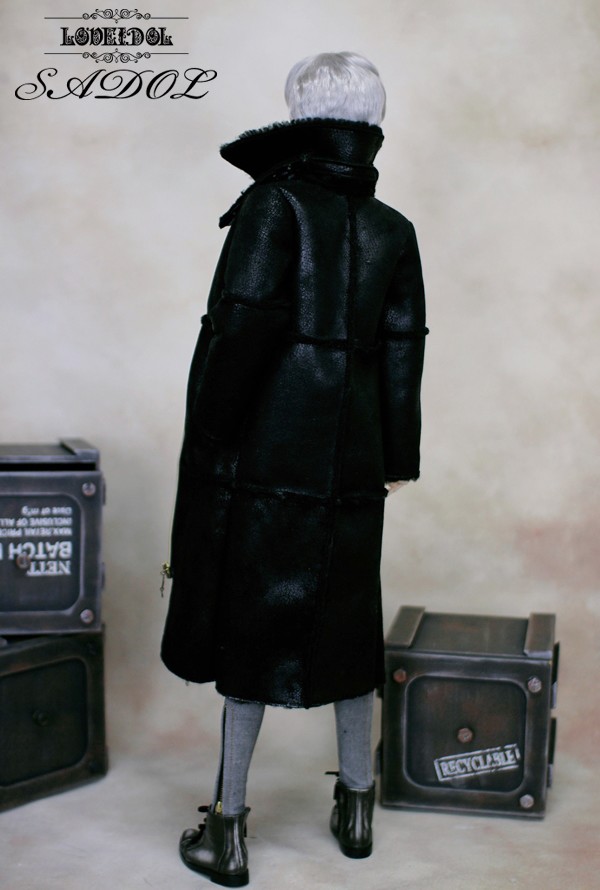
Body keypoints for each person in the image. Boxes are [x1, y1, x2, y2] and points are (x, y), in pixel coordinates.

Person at [161, 51, 427, 887]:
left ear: (300, 112)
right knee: (347, 629)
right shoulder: (392, 229)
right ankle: (358, 809)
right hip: (352, 470)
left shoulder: (272, 204)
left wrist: (210, 433)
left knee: (250, 632)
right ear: (373, 122)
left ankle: (228, 827)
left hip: (266, 462)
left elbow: (240, 329)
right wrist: (396, 459)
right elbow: (402, 353)